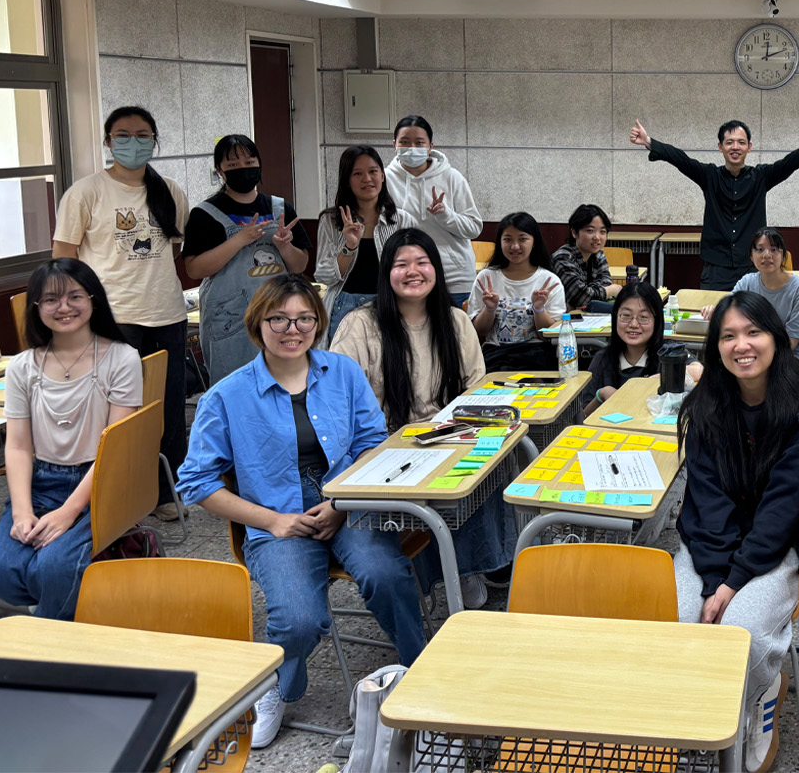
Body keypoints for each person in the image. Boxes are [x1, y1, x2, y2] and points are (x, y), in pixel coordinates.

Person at [176, 273, 425, 748]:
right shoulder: (226, 396)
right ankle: (274, 686)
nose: (293, 330)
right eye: (279, 319)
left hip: (347, 502)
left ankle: (420, 666)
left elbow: (373, 443)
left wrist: (340, 504)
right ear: (257, 323)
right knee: (298, 619)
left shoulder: (342, 372)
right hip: (276, 517)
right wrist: (273, 521)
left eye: (305, 319)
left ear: (318, 322)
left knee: (386, 574)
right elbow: (196, 483)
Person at [674, 292, 799, 773]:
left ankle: (762, 692)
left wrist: (733, 584)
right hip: (709, 542)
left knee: (744, 634)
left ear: (775, 339)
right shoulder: (705, 404)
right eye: (728, 336)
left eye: (753, 332)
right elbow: (708, 502)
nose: (741, 345)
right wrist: (714, 581)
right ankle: (704, 708)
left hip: (774, 545)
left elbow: (783, 506)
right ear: (715, 347)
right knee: (678, 624)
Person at [331, 228, 506, 610]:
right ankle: (433, 574)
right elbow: (338, 402)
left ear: (436, 270)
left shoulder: (455, 321)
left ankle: (466, 565)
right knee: (423, 489)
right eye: (401, 264)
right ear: (386, 273)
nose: (413, 271)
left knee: (497, 463)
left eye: (422, 262)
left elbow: (476, 392)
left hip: (449, 437)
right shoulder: (360, 325)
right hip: (384, 449)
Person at [52, 105, 189, 522]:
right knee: (112, 412)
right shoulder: (85, 192)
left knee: (167, 409)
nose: (133, 142)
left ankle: (164, 493)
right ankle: (112, 494)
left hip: (166, 313)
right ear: (108, 142)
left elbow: (173, 250)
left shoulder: (170, 190)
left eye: (143, 135)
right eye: (123, 135)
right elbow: (64, 258)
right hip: (112, 318)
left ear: (155, 140)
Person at [0, 260, 142, 619]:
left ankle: (50, 642)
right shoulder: (22, 366)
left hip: (101, 481)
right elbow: (17, 446)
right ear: (36, 307)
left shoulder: (121, 358)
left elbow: (113, 451)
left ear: (93, 299)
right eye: (51, 299)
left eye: (75, 296)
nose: (64, 307)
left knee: (54, 569)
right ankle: (64, 604)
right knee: (5, 567)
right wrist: (22, 512)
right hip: (42, 481)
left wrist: (68, 512)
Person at [630, 117, 799, 290]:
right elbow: (680, 159)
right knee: (714, 320)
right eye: (729, 142)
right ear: (720, 147)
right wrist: (649, 141)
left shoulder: (761, 177)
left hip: (752, 266)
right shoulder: (709, 176)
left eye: (741, 142)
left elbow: (791, 161)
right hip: (715, 268)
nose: (735, 147)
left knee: (751, 320)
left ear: (749, 147)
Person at [183, 134, 311, 384]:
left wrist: (284, 247)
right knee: (235, 389)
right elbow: (194, 269)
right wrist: (238, 240)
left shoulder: (280, 208)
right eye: (233, 165)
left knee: (283, 385)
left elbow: (300, 266)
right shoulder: (205, 214)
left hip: (280, 313)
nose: (243, 168)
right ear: (220, 171)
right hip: (230, 320)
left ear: (259, 164)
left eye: (250, 162)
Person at [316, 145, 415, 342]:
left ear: (382, 176)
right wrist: (349, 246)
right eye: (357, 173)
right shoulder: (331, 220)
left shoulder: (403, 221)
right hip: (344, 307)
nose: (367, 179)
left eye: (373, 171)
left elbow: (411, 271)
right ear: (347, 180)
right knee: (343, 362)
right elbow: (324, 276)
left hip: (388, 306)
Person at [385, 115, 483, 306]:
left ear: (430, 146)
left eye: (419, 142)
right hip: (407, 278)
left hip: (453, 278)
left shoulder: (452, 177)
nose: (412, 148)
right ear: (394, 145)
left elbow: (474, 228)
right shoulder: (384, 180)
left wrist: (446, 215)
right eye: (405, 142)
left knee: (457, 326)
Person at [700, 228, 799, 371]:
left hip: (791, 356)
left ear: (783, 255)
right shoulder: (747, 282)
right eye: (760, 249)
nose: (767, 255)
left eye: (774, 249)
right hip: (754, 353)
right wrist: (715, 311)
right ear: (751, 256)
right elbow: (729, 308)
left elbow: (791, 342)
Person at [467, 211, 565, 372]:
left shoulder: (549, 281)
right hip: (496, 354)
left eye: (522, 239)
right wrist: (490, 309)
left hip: (537, 354)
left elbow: (549, 336)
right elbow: (479, 331)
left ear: (534, 242)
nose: (514, 246)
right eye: (507, 239)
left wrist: (539, 309)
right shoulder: (486, 278)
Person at [582, 283, 702, 414]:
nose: (634, 324)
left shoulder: (668, 352)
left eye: (643, 317)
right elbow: (584, 415)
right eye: (626, 315)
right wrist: (601, 395)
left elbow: (699, 370)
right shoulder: (603, 359)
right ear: (616, 317)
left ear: (657, 320)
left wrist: (647, 383)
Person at [551, 203, 622, 313]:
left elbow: (605, 284)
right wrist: (612, 290)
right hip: (558, 319)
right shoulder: (563, 258)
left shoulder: (598, 254)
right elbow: (582, 297)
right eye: (590, 231)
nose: (597, 237)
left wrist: (589, 292)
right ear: (574, 232)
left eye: (602, 232)